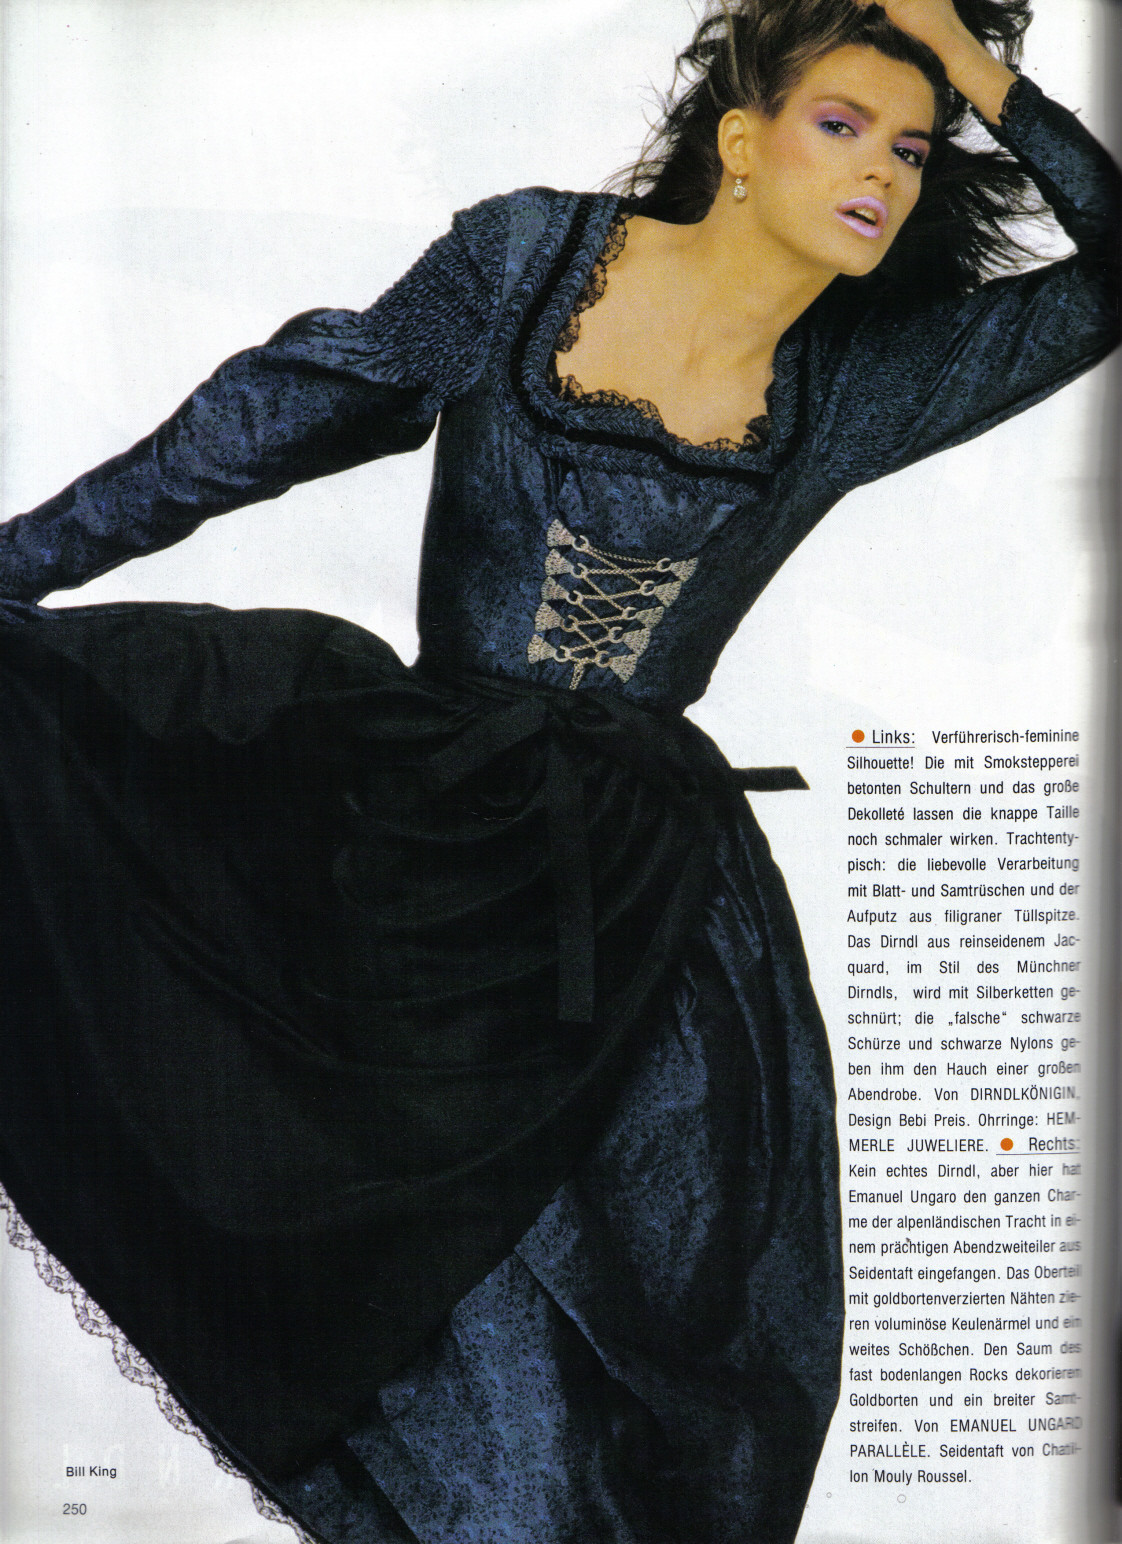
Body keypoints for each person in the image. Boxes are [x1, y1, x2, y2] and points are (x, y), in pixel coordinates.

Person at [0, 0, 1116, 1540]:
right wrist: (17, 564)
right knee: (473, 1385)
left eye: (916, 149)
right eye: (841, 124)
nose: (882, 169)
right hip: (413, 857)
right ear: (741, 141)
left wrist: (977, 62)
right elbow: (265, 418)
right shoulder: (525, 261)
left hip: (648, 919)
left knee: (652, 1386)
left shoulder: (864, 382)